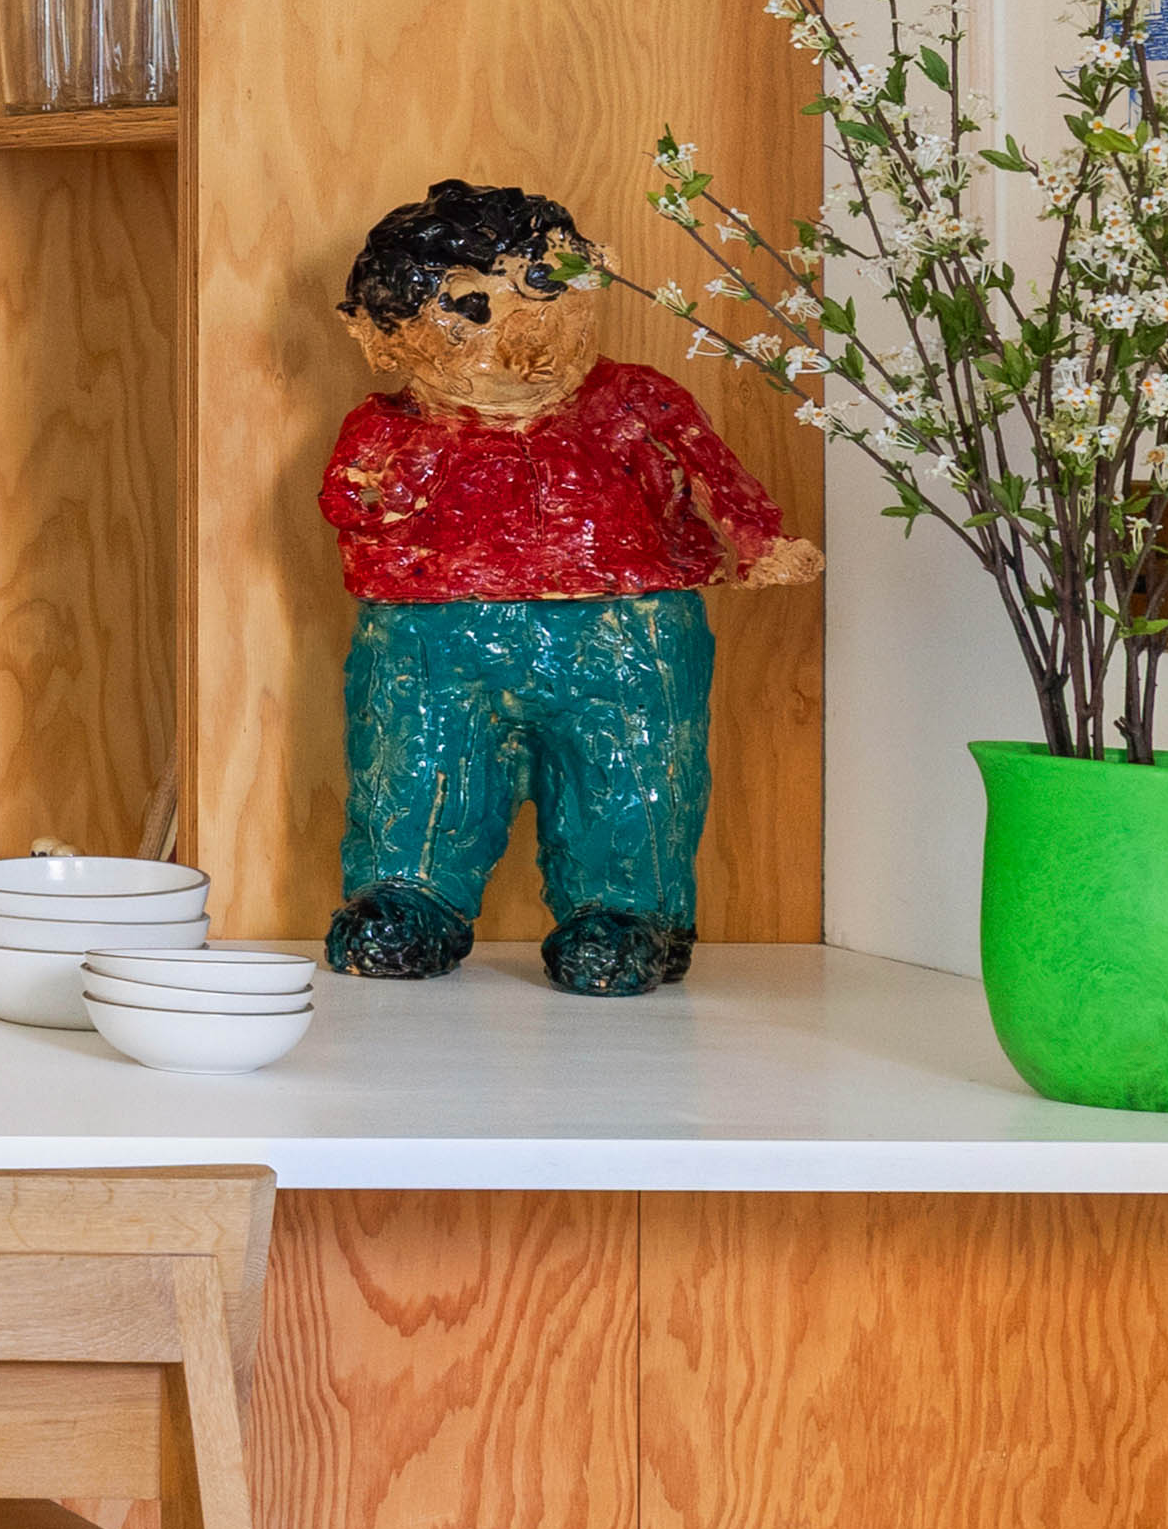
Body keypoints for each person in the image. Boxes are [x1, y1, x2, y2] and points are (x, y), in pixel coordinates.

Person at [317, 174, 815, 990]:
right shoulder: (388, 426)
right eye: (468, 303)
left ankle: (625, 913)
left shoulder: (634, 400)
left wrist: (759, 542)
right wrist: (409, 469)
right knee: (418, 766)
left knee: (629, 775)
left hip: (623, 633)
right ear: (382, 336)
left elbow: (712, 474)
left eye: (542, 284)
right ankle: (411, 896)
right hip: (433, 637)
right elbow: (355, 500)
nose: (522, 322)